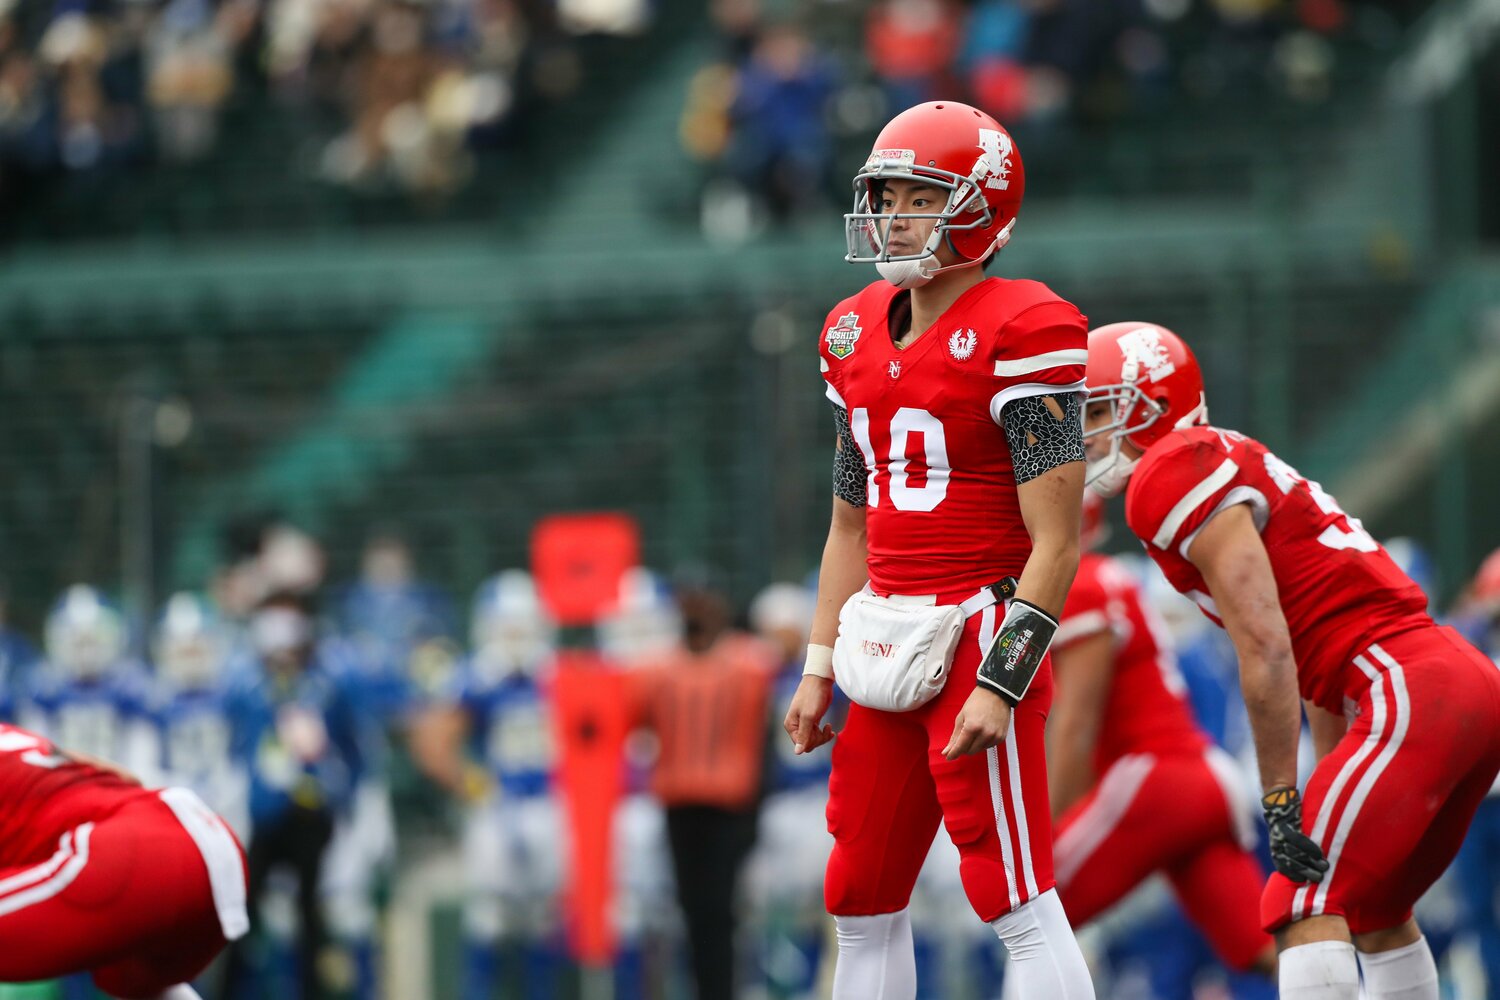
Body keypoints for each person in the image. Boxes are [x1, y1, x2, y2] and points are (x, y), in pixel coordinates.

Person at [1081, 320, 1500, 1000]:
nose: (1088, 433)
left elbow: (1267, 642)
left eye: (1100, 411)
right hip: (1450, 683)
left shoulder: (1170, 468)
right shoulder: (1222, 456)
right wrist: (1323, 776)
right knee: (1376, 911)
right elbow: (1312, 656)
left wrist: (1280, 798)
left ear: (1151, 403)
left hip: (1407, 684)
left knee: (1301, 900)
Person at [783, 100, 1095, 999]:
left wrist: (1004, 680)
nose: (894, 217)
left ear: (981, 208)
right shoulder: (851, 331)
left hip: (980, 628)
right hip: (881, 631)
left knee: (1012, 894)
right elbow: (850, 526)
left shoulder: (1025, 327)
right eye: (886, 197)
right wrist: (817, 665)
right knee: (859, 894)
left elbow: (1058, 542)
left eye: (920, 197)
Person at [1045, 491, 1274, 982]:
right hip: (1201, 780)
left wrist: (1050, 829)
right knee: (1263, 949)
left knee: (1029, 907)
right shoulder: (1111, 577)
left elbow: (1077, 726)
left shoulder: (1079, 586)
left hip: (1156, 779)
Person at [0, 721, 248, 999]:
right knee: (122, 976)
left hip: (131, 857)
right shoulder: (18, 741)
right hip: (206, 843)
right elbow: (125, 777)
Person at [410, 569, 568, 1000]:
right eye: (507, 629)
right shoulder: (476, 677)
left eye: (524, 628)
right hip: (498, 809)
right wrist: (474, 784)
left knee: (545, 918)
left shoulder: (558, 675)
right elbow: (432, 741)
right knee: (491, 915)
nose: (516, 639)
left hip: (552, 803)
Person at [631, 576, 776, 1000]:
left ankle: (724, 989)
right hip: (680, 803)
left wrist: (757, 806)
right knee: (691, 909)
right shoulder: (658, 669)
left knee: (721, 910)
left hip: (729, 805)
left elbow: (763, 740)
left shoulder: (749, 664)